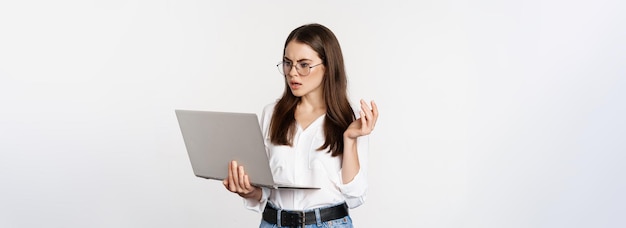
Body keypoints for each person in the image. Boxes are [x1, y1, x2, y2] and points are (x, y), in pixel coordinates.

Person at [222, 23, 379, 228]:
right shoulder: (272, 113)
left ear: (328, 66)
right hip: (273, 223)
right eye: (288, 63)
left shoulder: (351, 117)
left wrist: (349, 139)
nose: (292, 73)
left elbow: (355, 195)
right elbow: (268, 191)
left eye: (304, 65)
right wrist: (249, 191)